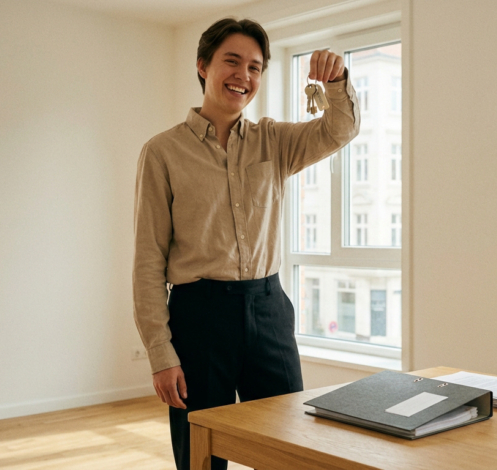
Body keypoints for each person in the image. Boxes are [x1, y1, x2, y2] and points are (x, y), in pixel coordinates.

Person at [133, 17, 360, 470]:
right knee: (200, 456)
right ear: (203, 66)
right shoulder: (162, 152)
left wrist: (337, 81)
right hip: (199, 318)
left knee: (287, 449)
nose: (244, 76)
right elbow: (147, 261)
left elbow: (340, 129)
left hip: (269, 310)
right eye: (232, 62)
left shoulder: (274, 141)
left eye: (255, 67)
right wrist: (160, 354)